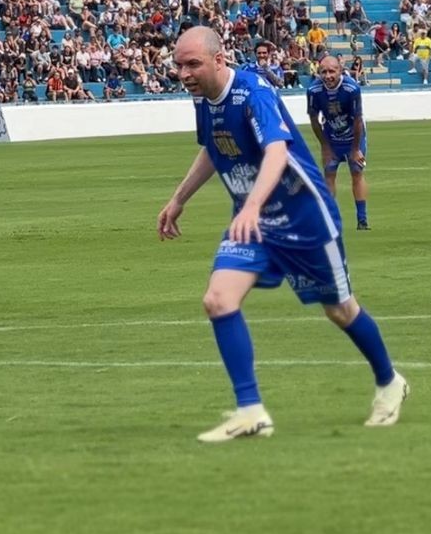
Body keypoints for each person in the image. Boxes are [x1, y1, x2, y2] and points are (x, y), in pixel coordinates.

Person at [157, 27, 408, 442]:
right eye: (179, 65)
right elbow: (213, 148)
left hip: (304, 219)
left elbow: (277, 150)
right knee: (218, 299)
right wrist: (179, 198)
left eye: (193, 64)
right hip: (254, 225)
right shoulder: (203, 97)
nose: (184, 74)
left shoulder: (253, 93)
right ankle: (250, 411)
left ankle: (389, 381)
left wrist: (252, 204)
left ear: (219, 60)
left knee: (340, 310)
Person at [306, 55, 370, 230]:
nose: (328, 76)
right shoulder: (313, 90)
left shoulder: (351, 89)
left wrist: (355, 149)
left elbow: (358, 120)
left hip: (354, 137)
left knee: (357, 172)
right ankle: (331, 220)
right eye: (323, 72)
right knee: (329, 174)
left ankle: (362, 220)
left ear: (340, 71)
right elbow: (314, 120)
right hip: (331, 137)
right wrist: (325, 147)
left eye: (332, 71)